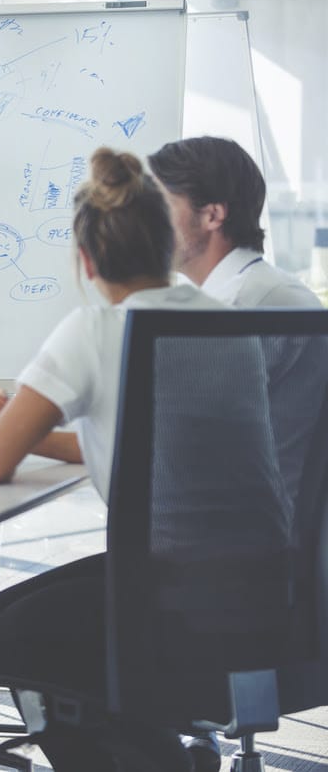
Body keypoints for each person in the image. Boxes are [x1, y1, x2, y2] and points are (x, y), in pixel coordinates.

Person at [0, 148, 232, 771]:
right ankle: (157, 752)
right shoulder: (222, 320)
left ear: (86, 260)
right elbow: (129, 441)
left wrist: (1, 429)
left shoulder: (95, 328)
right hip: (256, 581)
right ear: (167, 244)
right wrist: (18, 428)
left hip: (170, 586)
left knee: (10, 633)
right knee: (8, 617)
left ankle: (153, 760)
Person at [149, 136, 323, 771]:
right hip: (246, 547)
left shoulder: (249, 308)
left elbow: (169, 440)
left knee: (31, 630)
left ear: (212, 214)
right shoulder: (251, 296)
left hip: (232, 563)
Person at [148, 135, 321, 310]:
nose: (149, 219)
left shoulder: (235, 307)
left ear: (213, 216)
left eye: (160, 204)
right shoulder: (266, 290)